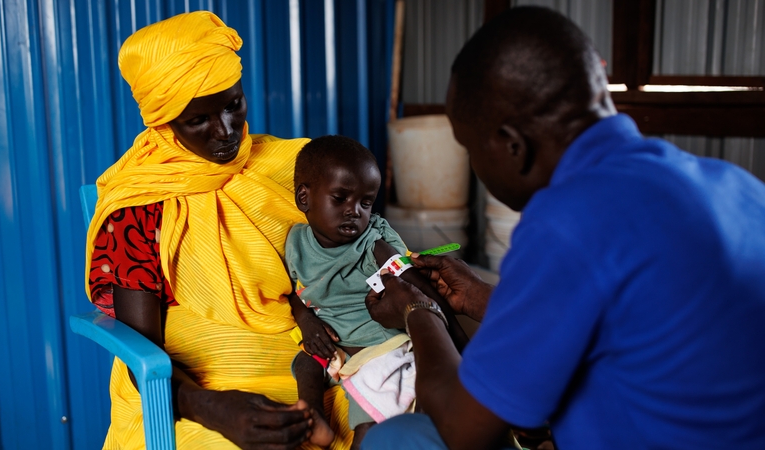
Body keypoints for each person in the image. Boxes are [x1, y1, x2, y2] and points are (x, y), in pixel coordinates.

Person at [361, 6, 765, 450]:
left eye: (470, 149)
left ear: (512, 145)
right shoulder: (733, 185)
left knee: (393, 438)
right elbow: (625, 316)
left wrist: (418, 310)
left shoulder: (569, 222)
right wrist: (482, 298)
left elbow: (463, 430)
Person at [85, 11, 352, 449]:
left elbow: (346, 259)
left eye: (233, 105)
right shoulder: (138, 204)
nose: (226, 131)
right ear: (163, 122)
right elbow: (141, 351)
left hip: (314, 361)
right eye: (198, 120)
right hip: (196, 391)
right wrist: (215, 408)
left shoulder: (290, 166)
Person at [285, 135, 483, 449]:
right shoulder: (296, 243)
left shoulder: (373, 242)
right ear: (304, 198)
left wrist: (462, 349)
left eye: (366, 202)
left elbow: (417, 287)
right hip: (336, 346)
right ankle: (314, 416)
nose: (355, 211)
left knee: (370, 423)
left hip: (382, 348)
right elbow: (292, 292)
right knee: (304, 362)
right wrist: (306, 321)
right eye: (340, 198)